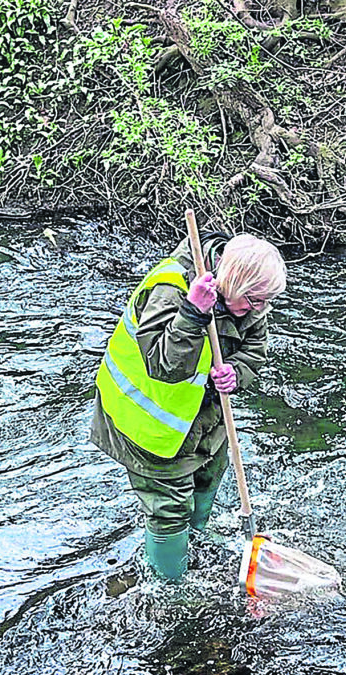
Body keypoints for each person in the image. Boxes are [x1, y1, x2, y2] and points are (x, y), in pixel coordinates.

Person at [90, 231, 287, 580]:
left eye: (264, 302)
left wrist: (236, 374)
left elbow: (254, 350)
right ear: (235, 284)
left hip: (206, 418)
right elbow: (165, 365)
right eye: (255, 301)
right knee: (168, 508)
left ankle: (195, 540)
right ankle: (170, 587)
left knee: (208, 478)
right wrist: (193, 313)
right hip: (150, 424)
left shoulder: (250, 300)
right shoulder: (170, 290)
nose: (260, 310)